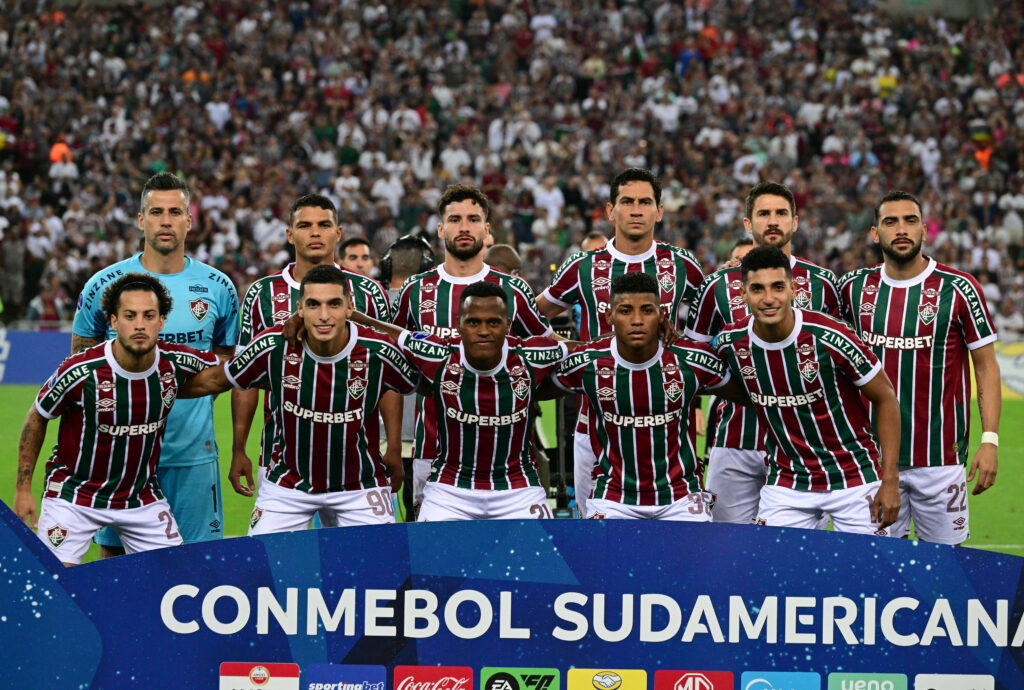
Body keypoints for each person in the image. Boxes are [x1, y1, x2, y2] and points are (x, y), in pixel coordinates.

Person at [71, 173, 238, 554]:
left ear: (189, 220)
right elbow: (80, 363)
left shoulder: (218, 287)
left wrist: (188, 396)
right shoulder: (104, 284)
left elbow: (226, 366)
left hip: (193, 456)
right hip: (120, 457)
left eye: (175, 212)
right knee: (114, 568)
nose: (166, 221)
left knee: (200, 565)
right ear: (140, 219)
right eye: (157, 212)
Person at [180, 266, 417, 533]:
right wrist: (156, 386)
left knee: (377, 574)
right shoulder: (272, 346)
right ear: (299, 309)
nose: (324, 315)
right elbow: (215, 380)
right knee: (262, 569)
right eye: (313, 305)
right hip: (288, 485)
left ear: (350, 307)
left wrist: (395, 447)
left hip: (360, 486)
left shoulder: (379, 351)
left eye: (334, 304)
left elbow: (430, 381)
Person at [15, 273, 219, 565]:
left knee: (174, 582)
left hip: (139, 498)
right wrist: (23, 489)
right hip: (74, 496)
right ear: (113, 321)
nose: (139, 324)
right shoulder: (80, 370)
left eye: (149, 315)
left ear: (162, 321)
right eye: (129, 315)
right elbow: (37, 416)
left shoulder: (176, 361)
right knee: (54, 585)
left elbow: (227, 372)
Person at [536, 168, 705, 518]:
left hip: (668, 427)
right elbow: (531, 318)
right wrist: (566, 348)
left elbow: (711, 325)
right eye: (627, 201)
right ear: (611, 211)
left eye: (646, 202)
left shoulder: (682, 264)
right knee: (598, 549)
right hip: (594, 425)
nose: (637, 210)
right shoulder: (583, 267)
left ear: (659, 211)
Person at [839, 190, 1001, 544]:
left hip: (940, 462)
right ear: (874, 233)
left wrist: (989, 440)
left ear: (924, 230)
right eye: (890, 221)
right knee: (875, 573)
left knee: (945, 572)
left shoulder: (959, 288)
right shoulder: (852, 289)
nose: (901, 229)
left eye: (910, 221)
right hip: (871, 462)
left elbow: (986, 366)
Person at [390, 184, 553, 518]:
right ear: (440, 229)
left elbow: (548, 350)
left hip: (506, 465)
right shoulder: (416, 291)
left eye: (473, 219)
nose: (464, 227)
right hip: (431, 450)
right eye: (455, 219)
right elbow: (391, 356)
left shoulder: (513, 290)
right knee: (435, 558)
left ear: (486, 230)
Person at [714, 246, 901, 534]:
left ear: (792, 289)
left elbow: (886, 396)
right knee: (775, 573)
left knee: (868, 574)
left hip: (853, 476)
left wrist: (890, 480)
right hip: (787, 481)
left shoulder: (831, 335)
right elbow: (689, 365)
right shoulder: (731, 343)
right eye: (757, 289)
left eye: (778, 287)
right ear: (743, 294)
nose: (768, 298)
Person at [685, 182, 841, 524]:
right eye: (763, 214)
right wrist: (695, 408)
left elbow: (841, 367)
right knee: (725, 551)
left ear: (795, 222)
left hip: (805, 445)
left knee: (793, 556)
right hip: (735, 439)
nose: (773, 221)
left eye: (781, 213)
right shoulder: (716, 286)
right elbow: (692, 359)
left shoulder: (823, 284)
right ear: (747, 224)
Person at [355, 281, 567, 520]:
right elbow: (392, 334)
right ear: (458, 325)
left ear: (508, 325)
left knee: (536, 556)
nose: (484, 331)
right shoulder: (437, 353)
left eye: (493, 322)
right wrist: (348, 316)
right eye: (473, 322)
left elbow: (587, 352)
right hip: (449, 491)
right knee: (431, 556)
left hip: (519, 489)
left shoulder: (533, 355)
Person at [231, 194, 393, 499]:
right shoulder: (261, 293)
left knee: (359, 548)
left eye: (324, 225)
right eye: (305, 226)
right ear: (290, 235)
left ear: (338, 233)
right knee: (279, 548)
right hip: (281, 457)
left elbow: (390, 375)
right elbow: (245, 380)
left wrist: (393, 444)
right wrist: (239, 448)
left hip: (359, 461)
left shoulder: (369, 292)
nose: (315, 233)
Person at [549, 273, 747, 520]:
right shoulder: (587, 362)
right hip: (614, 499)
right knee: (604, 558)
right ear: (609, 316)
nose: (637, 320)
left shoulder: (691, 359)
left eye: (646, 311)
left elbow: (753, 396)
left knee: (693, 558)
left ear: (662, 315)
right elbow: (528, 388)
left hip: (681, 497)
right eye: (625, 311)